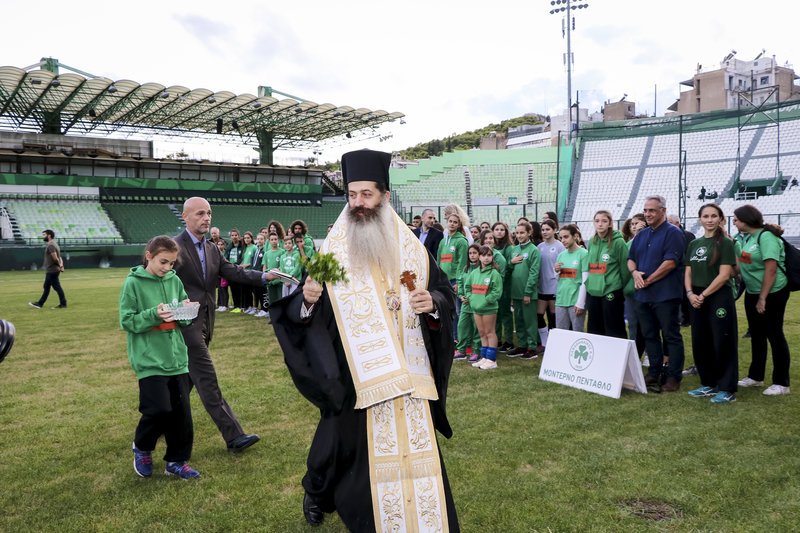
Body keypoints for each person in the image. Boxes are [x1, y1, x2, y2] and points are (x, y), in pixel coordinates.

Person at [270, 149, 460, 531]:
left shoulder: (414, 250)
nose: (357, 204)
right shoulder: (331, 250)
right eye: (352, 195)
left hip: (409, 372)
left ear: (385, 196)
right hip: (354, 372)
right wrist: (307, 301)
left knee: (411, 451)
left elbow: (443, 294)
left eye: (366, 195)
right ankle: (318, 492)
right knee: (337, 446)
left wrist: (433, 304)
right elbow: (302, 306)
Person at [175, 197, 276, 452]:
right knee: (207, 380)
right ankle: (234, 436)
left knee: (181, 387)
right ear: (185, 217)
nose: (206, 218)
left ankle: (149, 432)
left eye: (208, 213)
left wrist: (264, 276)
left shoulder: (212, 249)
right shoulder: (174, 246)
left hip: (207, 323)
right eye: (200, 214)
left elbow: (234, 272)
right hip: (185, 327)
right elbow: (154, 276)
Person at [119, 236, 200, 480]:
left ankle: (176, 461)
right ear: (149, 256)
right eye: (163, 262)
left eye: (172, 264)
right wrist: (154, 314)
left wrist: (187, 310)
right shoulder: (133, 283)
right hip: (149, 359)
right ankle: (142, 447)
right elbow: (128, 320)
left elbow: (183, 319)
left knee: (181, 414)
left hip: (176, 358)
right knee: (159, 409)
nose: (167, 268)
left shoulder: (174, 280)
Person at [628, 195, 686, 392]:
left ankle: (673, 377)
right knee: (650, 335)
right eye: (645, 210)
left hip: (665, 294)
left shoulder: (673, 233)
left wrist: (648, 280)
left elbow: (670, 263)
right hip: (643, 296)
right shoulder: (641, 235)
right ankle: (653, 372)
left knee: (671, 336)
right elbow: (631, 258)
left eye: (652, 210)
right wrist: (635, 273)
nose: (647, 214)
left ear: (663, 210)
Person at [733, 204, 792, 396]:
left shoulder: (766, 237)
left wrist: (763, 298)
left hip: (773, 292)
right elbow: (744, 265)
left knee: (774, 334)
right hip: (753, 292)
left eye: (736, 219)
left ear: (746, 220)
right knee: (757, 334)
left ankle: (782, 383)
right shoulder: (747, 238)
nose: (734, 222)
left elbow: (771, 269)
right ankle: (756, 376)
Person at [684, 204, 739, 404]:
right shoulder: (694, 244)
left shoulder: (725, 243)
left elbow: (725, 275)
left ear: (720, 219)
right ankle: (708, 383)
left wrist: (703, 295)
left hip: (717, 296)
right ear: (700, 219)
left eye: (713, 216)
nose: (709, 219)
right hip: (696, 296)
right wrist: (690, 293)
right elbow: (688, 271)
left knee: (722, 340)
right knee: (701, 340)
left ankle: (727, 388)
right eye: (705, 216)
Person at [585, 211, 629, 339]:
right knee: (594, 329)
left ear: (610, 224)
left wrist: (616, 285)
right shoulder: (592, 241)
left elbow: (625, 270)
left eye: (604, 221)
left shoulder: (618, 242)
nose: (600, 224)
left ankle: (618, 357)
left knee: (614, 328)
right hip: (593, 291)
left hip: (611, 291)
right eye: (597, 221)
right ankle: (599, 357)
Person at [506, 221, 542, 359]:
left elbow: (534, 273)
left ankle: (532, 347)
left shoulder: (533, 250)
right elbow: (508, 270)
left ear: (529, 233)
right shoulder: (514, 250)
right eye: (517, 233)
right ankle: (522, 345)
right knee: (519, 320)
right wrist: (511, 262)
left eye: (522, 232)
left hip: (528, 294)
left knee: (530, 321)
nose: (519, 235)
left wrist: (528, 292)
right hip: (515, 293)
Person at [467, 245, 503, 370]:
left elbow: (497, 292)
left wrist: (486, 301)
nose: (486, 258)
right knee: (482, 333)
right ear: (479, 257)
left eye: (489, 255)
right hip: (476, 308)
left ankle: (491, 359)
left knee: (489, 332)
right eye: (483, 255)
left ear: (492, 257)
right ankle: (484, 357)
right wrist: (471, 299)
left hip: (489, 309)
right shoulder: (474, 273)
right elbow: (468, 288)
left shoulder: (494, 273)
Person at [438, 212, 469, 338]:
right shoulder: (442, 241)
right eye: (450, 221)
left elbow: (462, 264)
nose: (452, 224)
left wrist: (458, 282)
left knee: (458, 311)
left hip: (454, 281)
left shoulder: (461, 241)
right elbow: (438, 261)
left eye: (455, 222)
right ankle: (450, 336)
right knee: (446, 311)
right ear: (447, 222)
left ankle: (459, 338)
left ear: (459, 225)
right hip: (443, 281)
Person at [554, 224, 588, 332]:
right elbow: (559, 279)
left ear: (575, 236)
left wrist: (581, 302)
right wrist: (556, 271)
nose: (563, 240)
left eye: (566, 237)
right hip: (561, 300)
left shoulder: (584, 254)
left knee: (577, 333)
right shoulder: (561, 255)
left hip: (575, 301)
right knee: (561, 333)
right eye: (561, 238)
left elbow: (585, 280)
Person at [537, 219, 565, 348]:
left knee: (554, 316)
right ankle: (545, 341)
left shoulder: (560, 246)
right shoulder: (540, 247)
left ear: (554, 230)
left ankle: (555, 344)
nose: (545, 232)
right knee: (538, 316)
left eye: (548, 229)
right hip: (542, 287)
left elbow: (564, 265)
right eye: (543, 230)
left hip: (554, 287)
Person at [622, 214, 647, 359]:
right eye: (632, 224)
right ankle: (633, 355)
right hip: (630, 291)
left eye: (637, 223)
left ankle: (649, 354)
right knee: (632, 324)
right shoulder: (627, 243)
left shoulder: (647, 240)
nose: (634, 226)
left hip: (644, 289)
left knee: (647, 324)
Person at [668, 214, 696, 327]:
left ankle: (688, 318)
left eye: (670, 222)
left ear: (677, 223)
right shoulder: (667, 235)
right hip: (671, 271)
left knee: (686, 295)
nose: (668, 224)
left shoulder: (689, 236)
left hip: (685, 270)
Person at [454, 244, 481, 362]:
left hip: (477, 304)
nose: (472, 255)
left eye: (475, 253)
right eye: (470, 253)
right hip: (465, 303)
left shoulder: (482, 269)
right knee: (462, 326)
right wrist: (461, 295)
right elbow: (460, 282)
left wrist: (474, 298)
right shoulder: (466, 269)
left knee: (476, 328)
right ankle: (461, 350)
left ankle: (476, 351)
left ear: (480, 254)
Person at [491, 222, 515, 352]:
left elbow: (509, 267)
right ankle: (498, 339)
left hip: (505, 285)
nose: (499, 232)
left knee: (505, 313)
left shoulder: (509, 248)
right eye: (497, 229)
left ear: (506, 232)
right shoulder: (491, 247)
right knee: (496, 314)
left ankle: (509, 341)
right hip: (493, 285)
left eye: (502, 230)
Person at [28, 229, 67, 309]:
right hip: (52, 270)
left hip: (52, 270)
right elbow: (59, 257)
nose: (43, 236)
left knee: (56, 287)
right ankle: (40, 303)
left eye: (44, 235)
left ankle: (63, 304)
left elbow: (55, 258)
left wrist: (60, 266)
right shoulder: (54, 244)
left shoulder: (51, 245)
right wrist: (61, 266)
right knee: (46, 287)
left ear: (49, 235)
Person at [225, 228, 245, 313]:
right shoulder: (229, 246)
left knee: (240, 289)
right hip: (231, 271)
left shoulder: (243, 246)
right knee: (233, 289)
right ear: (230, 237)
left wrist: (236, 265)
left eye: (236, 235)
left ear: (239, 236)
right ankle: (236, 306)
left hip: (240, 270)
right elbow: (226, 257)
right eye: (232, 235)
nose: (234, 237)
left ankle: (241, 306)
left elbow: (243, 258)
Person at [215, 239, 230, 312]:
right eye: (218, 244)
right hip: (217, 274)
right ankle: (220, 304)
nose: (220, 246)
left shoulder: (225, 253)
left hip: (223, 275)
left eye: (221, 244)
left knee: (224, 290)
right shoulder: (215, 253)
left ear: (224, 245)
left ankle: (225, 305)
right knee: (220, 290)